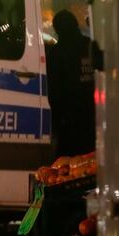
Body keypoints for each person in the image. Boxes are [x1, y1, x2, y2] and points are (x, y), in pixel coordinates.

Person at [47, 9, 96, 157]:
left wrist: (57, 121)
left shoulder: (56, 53)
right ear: (75, 24)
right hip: (91, 114)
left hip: (68, 119)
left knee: (68, 161)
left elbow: (54, 90)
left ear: (58, 30)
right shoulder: (89, 46)